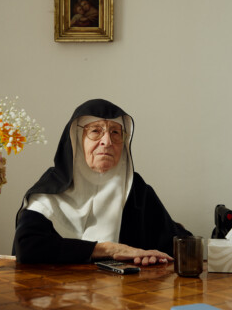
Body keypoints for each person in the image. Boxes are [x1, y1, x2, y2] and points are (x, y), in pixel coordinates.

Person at [12, 99, 192, 265]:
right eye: (96, 131)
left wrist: (156, 257)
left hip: (121, 296)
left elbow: (180, 243)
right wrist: (109, 249)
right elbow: (27, 248)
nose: (107, 141)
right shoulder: (53, 186)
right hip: (56, 294)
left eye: (115, 132)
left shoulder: (134, 188)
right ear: (76, 139)